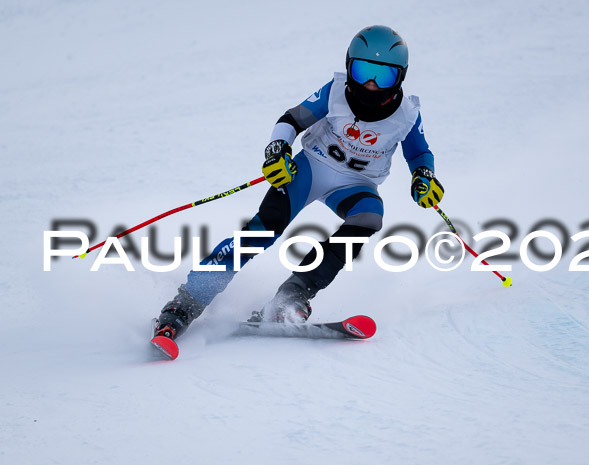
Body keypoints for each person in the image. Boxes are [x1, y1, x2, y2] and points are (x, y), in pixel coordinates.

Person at [153, 25, 445, 340]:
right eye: (363, 72)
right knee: (263, 230)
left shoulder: (407, 114)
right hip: (309, 169)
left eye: (383, 76)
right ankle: (184, 305)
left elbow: (419, 154)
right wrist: (277, 151)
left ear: (400, 77)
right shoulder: (335, 92)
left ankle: (293, 296)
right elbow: (290, 120)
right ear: (349, 66)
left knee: (369, 217)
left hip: (357, 183)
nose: (371, 85)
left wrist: (423, 177)